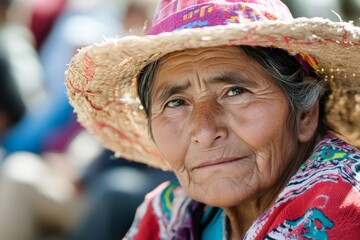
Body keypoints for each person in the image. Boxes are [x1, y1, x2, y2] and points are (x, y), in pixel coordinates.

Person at [65, 0, 360, 239]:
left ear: (306, 114)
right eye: (176, 102)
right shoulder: (169, 214)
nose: (205, 131)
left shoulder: (343, 206)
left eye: (235, 92)